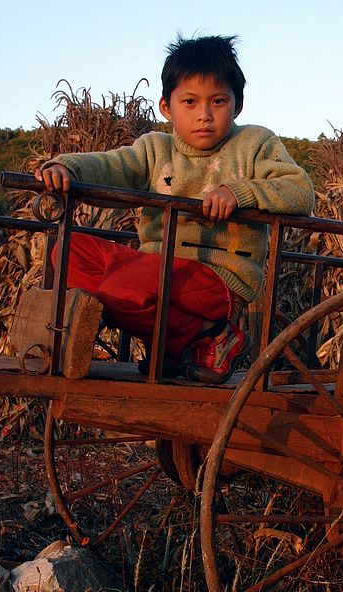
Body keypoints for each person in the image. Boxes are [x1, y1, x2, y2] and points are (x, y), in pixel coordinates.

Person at [35, 34, 315, 383]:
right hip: (156, 269)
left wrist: (239, 193)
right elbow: (113, 166)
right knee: (68, 250)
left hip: (217, 279)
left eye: (217, 101)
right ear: (166, 106)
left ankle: (214, 333)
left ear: (237, 105)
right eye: (190, 102)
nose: (205, 115)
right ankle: (185, 343)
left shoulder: (254, 144)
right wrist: (68, 168)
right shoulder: (156, 148)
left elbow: (300, 190)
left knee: (122, 285)